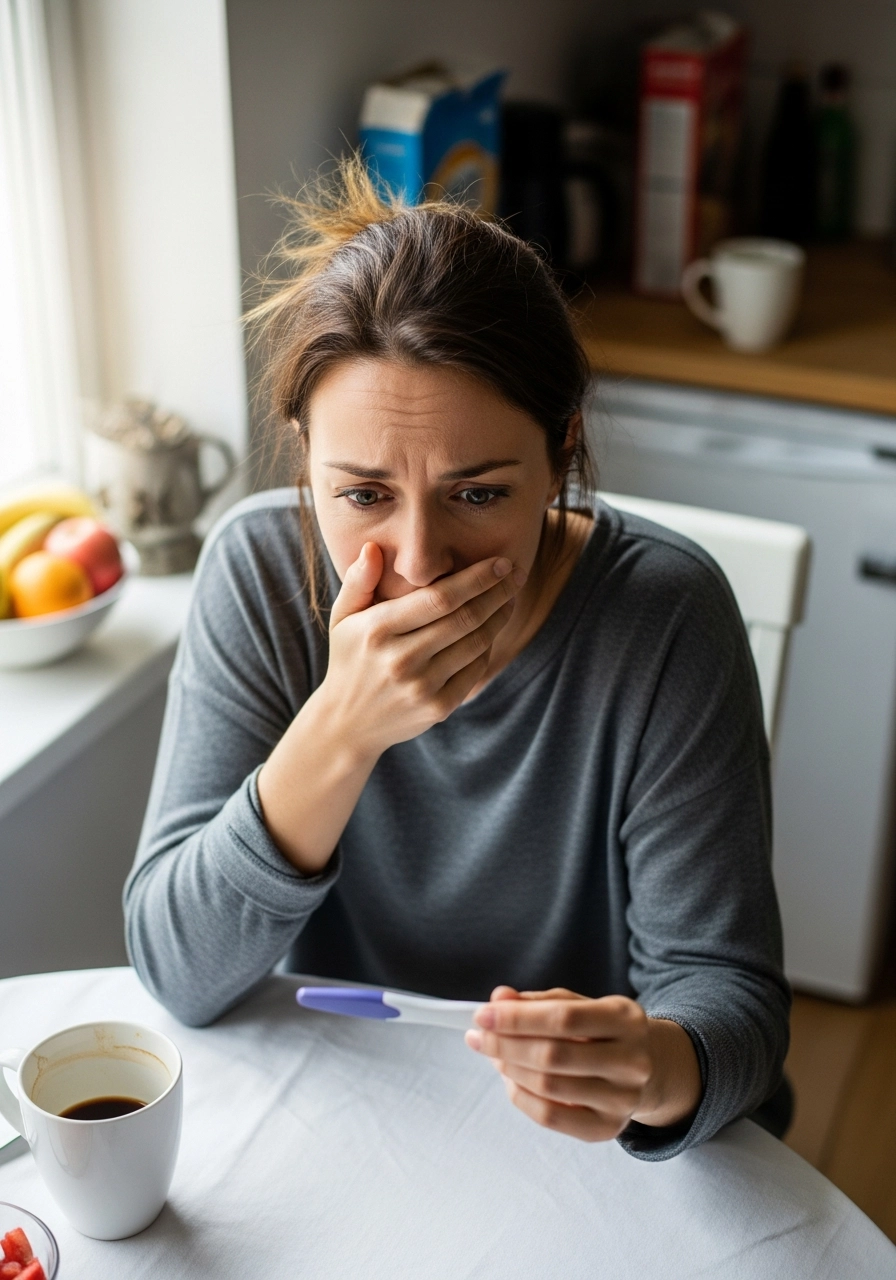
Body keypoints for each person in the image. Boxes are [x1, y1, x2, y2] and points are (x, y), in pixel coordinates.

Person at [125, 159, 790, 1161]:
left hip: (582, 1154)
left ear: (560, 452)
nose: (420, 562)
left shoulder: (662, 616)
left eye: (476, 493)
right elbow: (177, 968)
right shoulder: (259, 575)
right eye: (359, 495)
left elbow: (731, 1003)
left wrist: (651, 1063)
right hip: (340, 1113)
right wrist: (341, 728)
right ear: (303, 453)